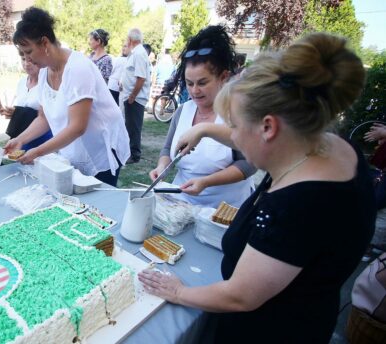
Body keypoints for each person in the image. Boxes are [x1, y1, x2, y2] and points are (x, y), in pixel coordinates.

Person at [139, 33, 375, 343]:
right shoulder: (327, 144)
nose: (232, 137)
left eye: (234, 126)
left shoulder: (296, 207)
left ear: (268, 127)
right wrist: (206, 129)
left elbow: (241, 296)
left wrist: (180, 291)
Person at [4, 7, 130, 186]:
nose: (27, 59)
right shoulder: (43, 73)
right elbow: (44, 117)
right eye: (23, 54)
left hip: (100, 148)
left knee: (97, 204)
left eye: (29, 52)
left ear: (45, 43)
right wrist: (20, 140)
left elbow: (78, 127)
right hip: (74, 149)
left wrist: (38, 151)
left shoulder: (77, 68)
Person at [149, 26, 255, 208]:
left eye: (203, 83)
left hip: (224, 209)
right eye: (189, 83)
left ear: (223, 77)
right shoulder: (183, 110)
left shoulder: (237, 112)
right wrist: (162, 168)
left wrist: (206, 182)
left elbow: (249, 164)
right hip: (181, 203)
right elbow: (167, 150)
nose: (194, 90)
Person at [1, 51, 53, 150]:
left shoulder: (48, 83)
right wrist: (14, 113)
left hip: (42, 137)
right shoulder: (21, 82)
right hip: (22, 134)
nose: (26, 63)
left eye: (30, 60)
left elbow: (48, 114)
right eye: (23, 59)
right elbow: (24, 108)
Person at [121, 28, 151, 164]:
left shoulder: (139, 54)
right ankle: (131, 152)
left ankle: (134, 155)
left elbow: (141, 78)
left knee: (133, 127)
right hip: (131, 96)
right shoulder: (136, 53)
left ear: (131, 39)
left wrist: (132, 96)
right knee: (130, 126)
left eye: (127, 38)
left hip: (135, 98)